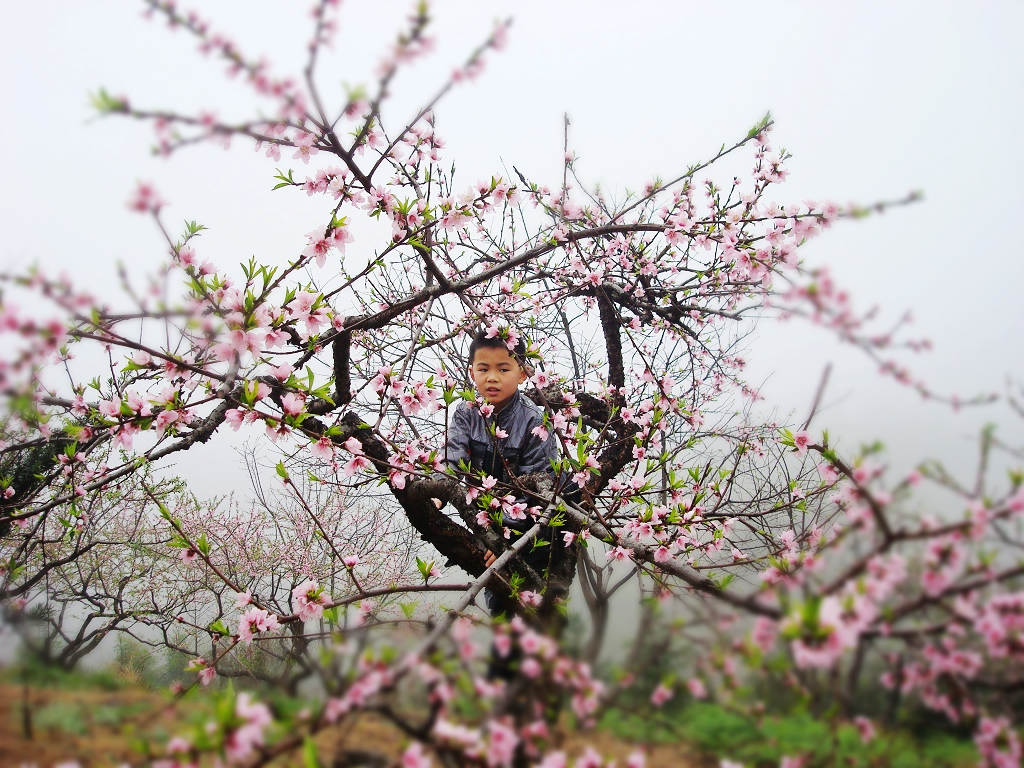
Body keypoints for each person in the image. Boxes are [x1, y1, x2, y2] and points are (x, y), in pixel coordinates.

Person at [442, 329, 558, 620]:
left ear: (522, 373)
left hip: (531, 532)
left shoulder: (535, 420)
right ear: (471, 372)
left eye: (503, 368)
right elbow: (454, 460)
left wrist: (503, 544)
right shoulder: (465, 412)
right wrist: (437, 495)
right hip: (487, 521)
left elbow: (537, 492)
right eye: (483, 369)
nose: (492, 377)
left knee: (537, 606)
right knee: (500, 607)